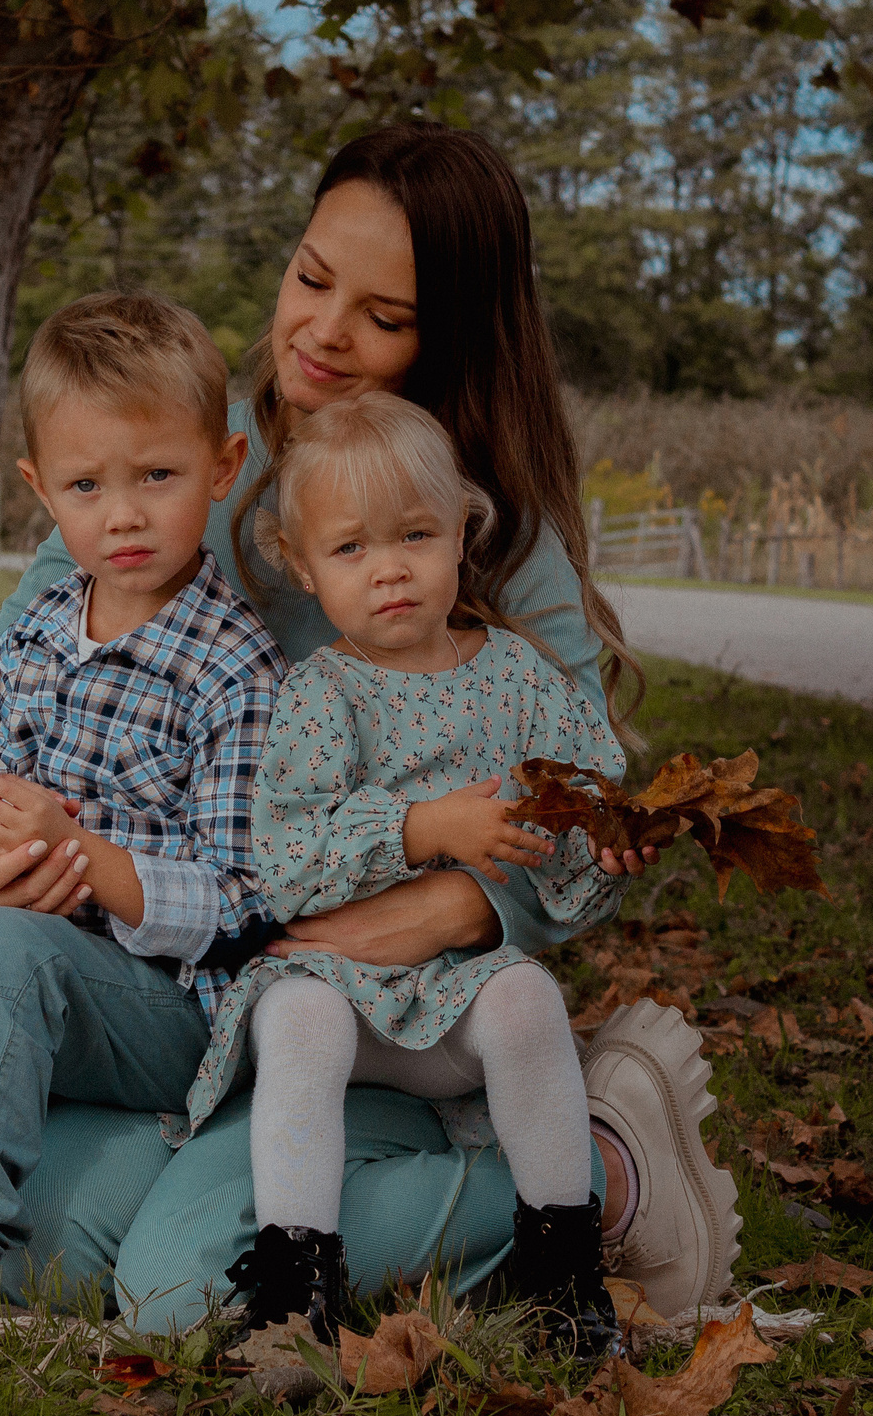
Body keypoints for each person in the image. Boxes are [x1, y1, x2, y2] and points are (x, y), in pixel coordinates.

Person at [0, 122, 734, 1325]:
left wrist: (445, 903)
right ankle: (147, 1174)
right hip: (161, 980)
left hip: (367, 1011)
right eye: (311, 278)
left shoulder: (483, 535)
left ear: (447, 333)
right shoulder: (167, 469)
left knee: (174, 1289)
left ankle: (599, 1172)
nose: (322, 329)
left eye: (383, 315)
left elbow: (580, 817)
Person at [0, 292, 288, 1326]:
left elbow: (245, 899)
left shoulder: (234, 668)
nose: (122, 513)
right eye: (87, 484)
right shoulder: (31, 632)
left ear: (222, 467)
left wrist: (81, 857)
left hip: (176, 1012)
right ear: (41, 490)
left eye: (157, 476)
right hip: (35, 981)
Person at [190, 392, 632, 1356]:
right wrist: (425, 826)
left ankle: (562, 1272)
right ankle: (292, 1293)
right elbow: (288, 862)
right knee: (296, 1012)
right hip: (343, 996)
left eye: (416, 534)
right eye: (350, 550)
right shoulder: (322, 694)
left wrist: (605, 837)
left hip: (454, 999)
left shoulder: (518, 678)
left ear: (462, 535)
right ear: (303, 567)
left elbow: (584, 797)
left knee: (525, 997)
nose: (389, 568)